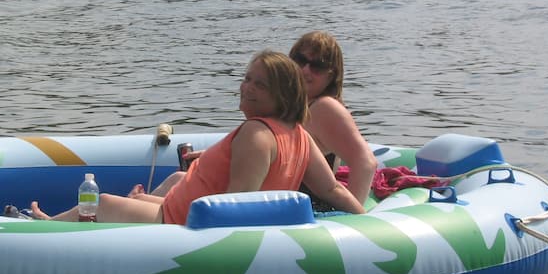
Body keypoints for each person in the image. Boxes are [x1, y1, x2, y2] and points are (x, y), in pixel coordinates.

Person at [30, 50, 365, 225]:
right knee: (145, 195)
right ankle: (51, 223)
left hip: (181, 223)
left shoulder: (256, 133)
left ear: (283, 96)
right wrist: (367, 221)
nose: (246, 88)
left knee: (103, 203)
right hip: (182, 210)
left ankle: (42, 230)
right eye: (247, 79)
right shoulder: (300, 135)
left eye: (260, 85)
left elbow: (237, 204)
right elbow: (332, 189)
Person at [289, 31, 377, 207]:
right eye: (300, 60)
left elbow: (365, 162)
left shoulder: (325, 108)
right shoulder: (293, 106)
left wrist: (351, 215)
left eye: (317, 66)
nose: (305, 70)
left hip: (310, 210)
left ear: (331, 76)